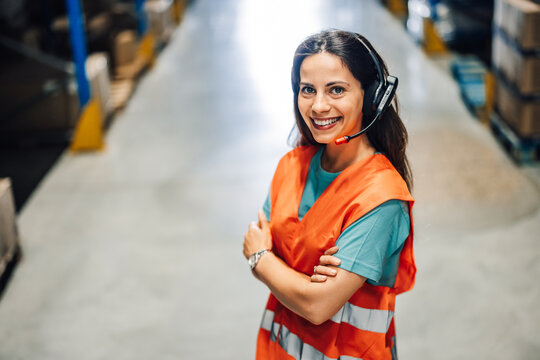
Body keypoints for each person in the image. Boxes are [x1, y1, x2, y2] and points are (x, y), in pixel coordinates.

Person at [243, 30, 415, 360]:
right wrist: (305, 281)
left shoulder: (380, 199)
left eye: (336, 89)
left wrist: (261, 259)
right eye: (308, 90)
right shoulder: (291, 165)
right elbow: (267, 241)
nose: (319, 106)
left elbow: (317, 305)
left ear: (372, 96)